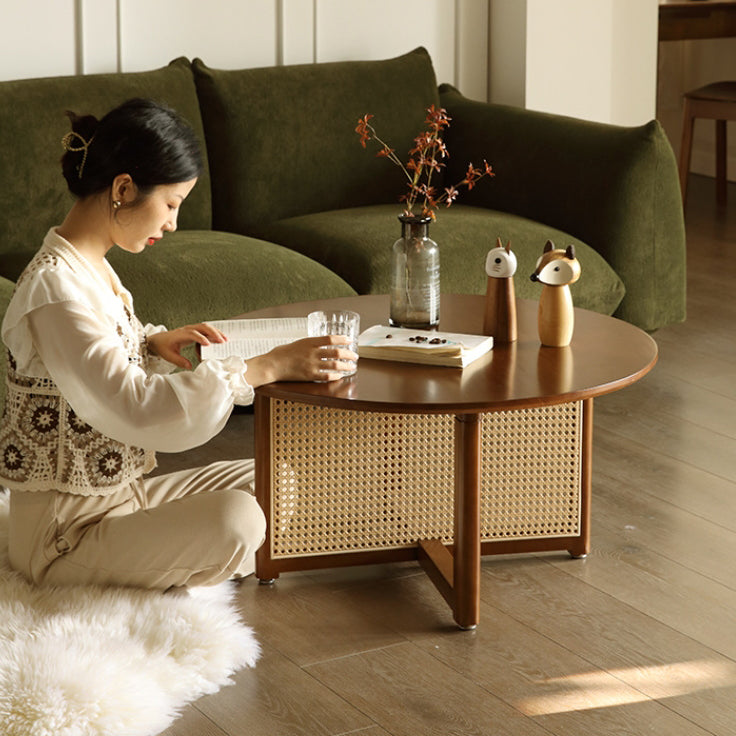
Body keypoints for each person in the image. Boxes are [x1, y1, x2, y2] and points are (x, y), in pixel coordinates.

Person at [0, 98, 356, 591]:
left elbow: (86, 368)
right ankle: (131, 571)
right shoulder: (55, 290)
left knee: (276, 481)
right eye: (171, 204)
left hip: (127, 497)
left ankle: (159, 558)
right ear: (124, 188)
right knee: (240, 522)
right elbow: (135, 405)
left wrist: (150, 345)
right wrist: (263, 367)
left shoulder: (90, 268)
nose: (171, 224)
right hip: (65, 536)